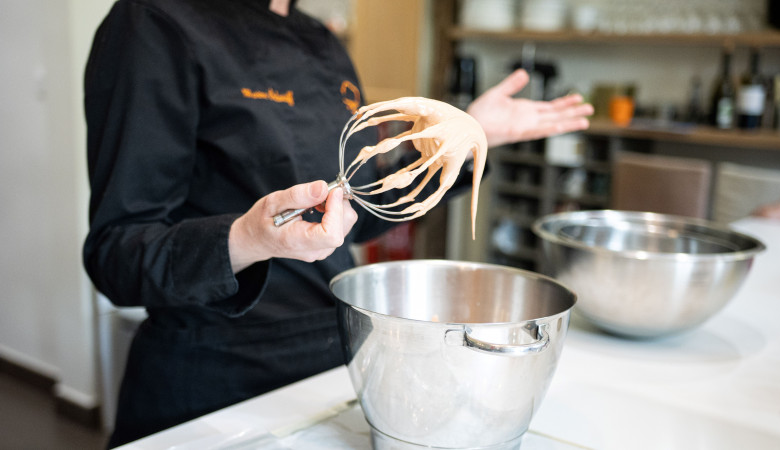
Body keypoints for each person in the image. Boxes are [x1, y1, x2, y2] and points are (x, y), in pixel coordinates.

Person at [82, 0, 594, 446]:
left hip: (339, 368)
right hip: (214, 379)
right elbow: (117, 252)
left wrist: (458, 142)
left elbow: (358, 212)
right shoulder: (152, 23)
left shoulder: (321, 41)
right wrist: (249, 237)